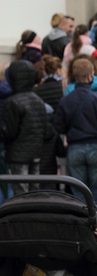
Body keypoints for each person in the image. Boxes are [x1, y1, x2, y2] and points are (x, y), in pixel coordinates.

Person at [54, 58, 97, 222]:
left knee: (79, 193)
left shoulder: (66, 100)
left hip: (75, 147)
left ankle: (81, 229)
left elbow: (59, 127)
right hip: (96, 146)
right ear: (91, 75)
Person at [0, 60, 47, 195]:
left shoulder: (12, 102)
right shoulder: (38, 100)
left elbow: (9, 131)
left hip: (17, 155)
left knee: (20, 193)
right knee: (34, 192)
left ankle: (22, 217)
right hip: (36, 152)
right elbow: (43, 128)